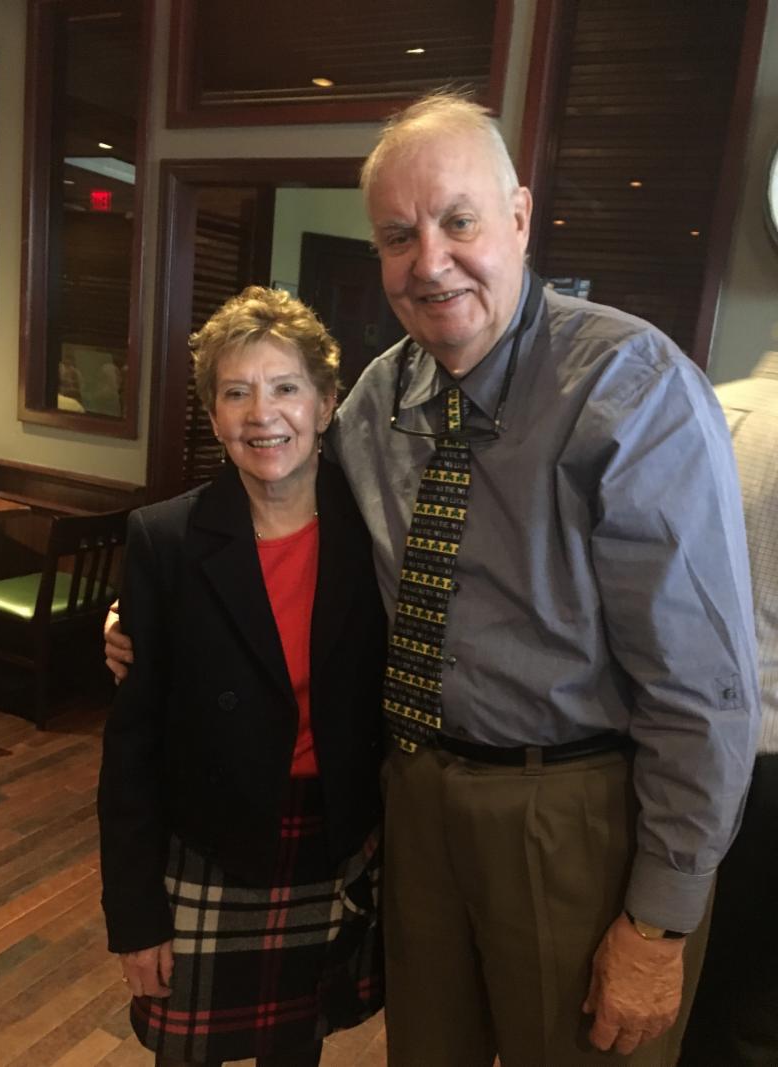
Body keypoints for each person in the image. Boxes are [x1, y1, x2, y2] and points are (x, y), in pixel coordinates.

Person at [106, 92, 761, 1065]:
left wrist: (659, 919)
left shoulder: (630, 389)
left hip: (573, 809)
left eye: (458, 221)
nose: (430, 261)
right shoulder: (377, 399)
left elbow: (702, 687)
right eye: (398, 236)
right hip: (409, 799)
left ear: (519, 218)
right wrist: (151, 610)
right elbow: (278, 506)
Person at [97, 287, 386, 1067]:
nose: (263, 415)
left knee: (296, 1053)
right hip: (210, 842)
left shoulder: (374, 531)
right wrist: (135, 916)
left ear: (326, 403)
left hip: (329, 842)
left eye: (286, 387)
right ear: (214, 414)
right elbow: (131, 751)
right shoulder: (164, 538)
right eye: (236, 392)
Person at [678, 352, 778, 1067]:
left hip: (673, 739)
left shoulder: (699, 405)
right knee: (755, 995)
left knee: (678, 967)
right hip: (771, 752)